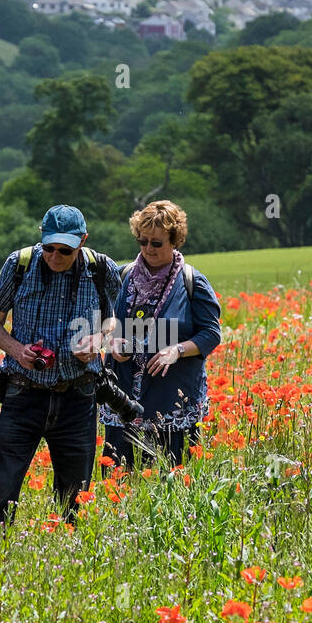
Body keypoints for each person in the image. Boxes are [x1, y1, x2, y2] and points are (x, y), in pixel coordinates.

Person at [0, 205, 122, 528]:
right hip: (23, 394)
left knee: (75, 496)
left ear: (83, 241)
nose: (55, 257)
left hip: (78, 398)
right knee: (2, 490)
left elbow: (111, 316)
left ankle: (68, 558)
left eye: (65, 250)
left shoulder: (101, 268)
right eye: (49, 248)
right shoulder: (19, 266)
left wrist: (97, 338)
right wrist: (18, 350)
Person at [102, 200, 222, 470]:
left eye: (156, 243)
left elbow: (211, 334)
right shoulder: (123, 277)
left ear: (175, 240)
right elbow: (106, 322)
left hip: (171, 401)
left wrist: (176, 350)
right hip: (123, 399)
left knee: (173, 481)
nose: (148, 249)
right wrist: (113, 342)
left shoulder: (191, 282)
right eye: (142, 241)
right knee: (118, 482)